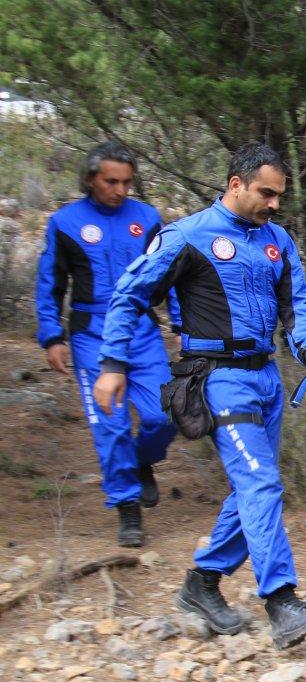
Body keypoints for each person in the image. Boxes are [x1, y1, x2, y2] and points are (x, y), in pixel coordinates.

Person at [92, 143, 306, 650]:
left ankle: (201, 584)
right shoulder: (187, 235)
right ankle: (282, 601)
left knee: (252, 489)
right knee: (262, 485)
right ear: (235, 184)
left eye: (279, 196)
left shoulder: (278, 241)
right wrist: (114, 364)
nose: (274, 204)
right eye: (266, 193)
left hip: (266, 378)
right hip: (217, 378)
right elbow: (129, 293)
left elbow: (298, 305)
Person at [35, 141, 177, 547]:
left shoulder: (147, 218)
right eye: (110, 181)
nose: (119, 190)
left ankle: (142, 460)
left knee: (164, 413)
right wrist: (52, 336)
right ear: (90, 179)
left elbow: (170, 275)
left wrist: (183, 324)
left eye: (127, 182)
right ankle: (127, 508)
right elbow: (50, 284)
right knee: (110, 424)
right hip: (91, 332)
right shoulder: (65, 222)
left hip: (141, 330)